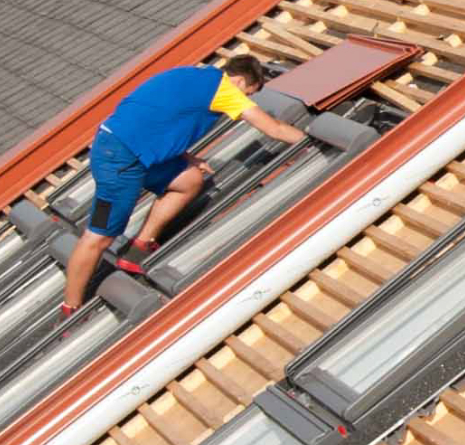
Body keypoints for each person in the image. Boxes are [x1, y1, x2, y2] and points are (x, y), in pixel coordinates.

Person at [59, 54, 305, 314]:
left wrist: (186, 156)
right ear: (241, 81)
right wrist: (311, 137)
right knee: (97, 237)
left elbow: (158, 114)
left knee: (189, 179)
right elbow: (274, 129)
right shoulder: (225, 91)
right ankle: (70, 309)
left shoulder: (190, 74)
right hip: (121, 162)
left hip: (119, 147)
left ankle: (138, 248)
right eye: (249, 94)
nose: (246, 101)